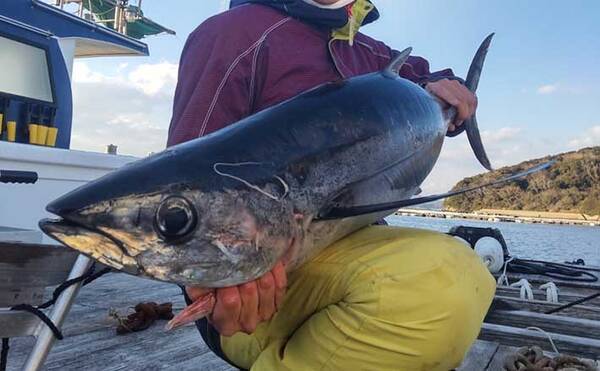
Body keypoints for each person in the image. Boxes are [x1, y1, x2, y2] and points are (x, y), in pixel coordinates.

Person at [167, 1, 495, 369]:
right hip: (252, 299)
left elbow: (423, 77)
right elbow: (188, 186)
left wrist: (452, 93)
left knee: (460, 277)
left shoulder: (369, 52)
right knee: (438, 287)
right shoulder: (234, 33)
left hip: (342, 252)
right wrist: (207, 285)